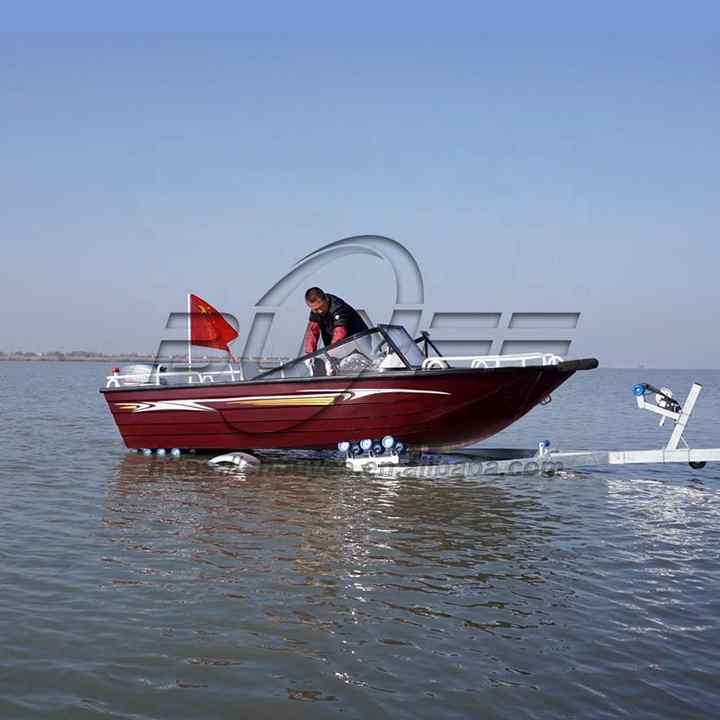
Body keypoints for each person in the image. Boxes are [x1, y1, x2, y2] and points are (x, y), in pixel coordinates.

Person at [302, 287, 369, 355]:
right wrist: (309, 354)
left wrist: (332, 351)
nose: (320, 311)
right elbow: (312, 332)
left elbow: (340, 331)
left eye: (321, 306)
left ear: (326, 299)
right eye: (316, 309)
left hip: (359, 341)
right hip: (338, 347)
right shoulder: (315, 312)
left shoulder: (338, 307)